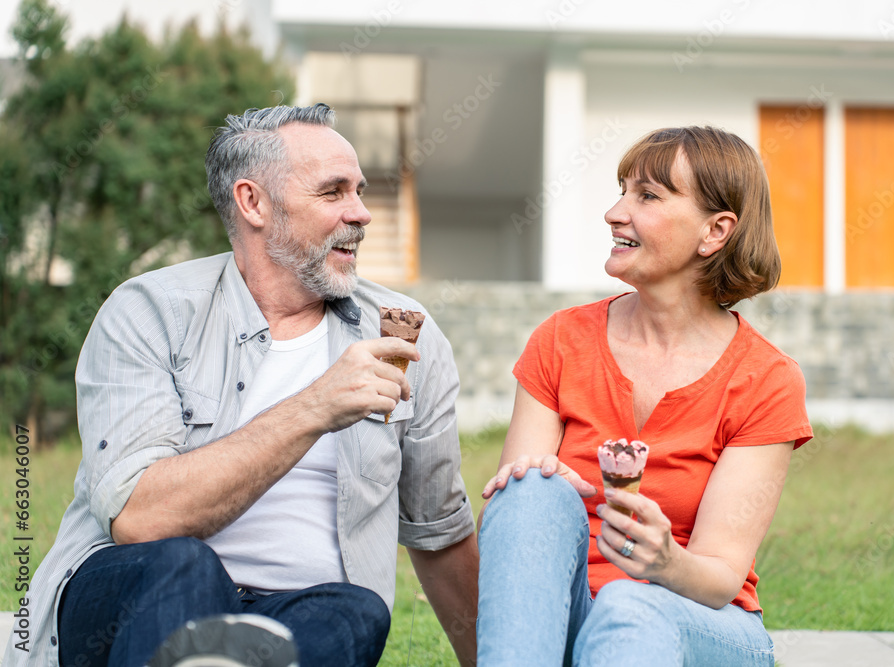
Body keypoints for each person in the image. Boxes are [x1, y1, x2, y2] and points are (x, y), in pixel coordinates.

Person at [4, 104, 478, 667]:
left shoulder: (404, 334)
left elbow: (438, 532)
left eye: (359, 190)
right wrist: (315, 407)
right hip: (139, 594)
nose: (362, 213)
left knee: (355, 611)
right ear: (252, 202)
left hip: (291, 618)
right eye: (333, 193)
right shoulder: (151, 313)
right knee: (184, 565)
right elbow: (140, 519)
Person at [476, 126, 813, 666]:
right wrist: (539, 481)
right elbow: (516, 531)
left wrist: (665, 563)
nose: (614, 211)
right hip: (567, 618)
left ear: (715, 231)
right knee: (528, 489)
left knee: (632, 606)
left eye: (648, 196)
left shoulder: (765, 378)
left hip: (697, 620)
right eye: (621, 190)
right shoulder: (561, 340)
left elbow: (720, 576)